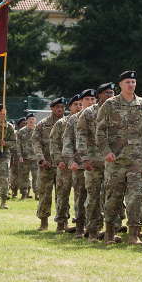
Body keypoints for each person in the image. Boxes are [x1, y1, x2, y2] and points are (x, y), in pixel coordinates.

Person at [96, 71, 142, 245]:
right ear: (120, 84)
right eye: (127, 82)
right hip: (116, 161)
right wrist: (106, 151)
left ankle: (133, 234)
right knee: (114, 197)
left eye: (133, 82)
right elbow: (100, 131)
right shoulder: (110, 104)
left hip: (136, 160)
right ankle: (109, 234)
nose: (131, 85)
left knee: (135, 197)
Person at [76, 82, 116, 242]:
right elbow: (81, 135)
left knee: (113, 197)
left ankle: (110, 232)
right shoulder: (88, 113)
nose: (110, 95)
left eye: (112, 92)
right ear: (99, 95)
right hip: (94, 162)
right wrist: (84, 158)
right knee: (93, 197)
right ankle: (92, 231)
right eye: (106, 93)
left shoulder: (117, 110)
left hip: (114, 162)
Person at [64, 89, 95, 237]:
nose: (91, 102)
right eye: (87, 99)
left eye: (93, 99)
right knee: (80, 196)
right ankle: (80, 227)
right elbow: (68, 141)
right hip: (80, 164)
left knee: (96, 197)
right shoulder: (73, 119)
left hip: (96, 165)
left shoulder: (99, 115)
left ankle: (94, 227)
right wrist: (70, 161)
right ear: (81, 102)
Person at [34, 98, 65, 230]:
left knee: (62, 195)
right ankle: (43, 222)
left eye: (62, 107)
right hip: (46, 165)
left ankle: (62, 223)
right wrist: (41, 159)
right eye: (57, 107)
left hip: (62, 165)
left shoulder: (68, 122)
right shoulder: (42, 124)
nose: (60, 109)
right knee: (45, 194)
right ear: (52, 108)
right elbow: (36, 143)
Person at [52, 94, 80, 232]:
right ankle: (61, 223)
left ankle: (81, 223)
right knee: (63, 194)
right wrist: (59, 160)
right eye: (76, 104)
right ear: (70, 107)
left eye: (80, 104)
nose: (79, 107)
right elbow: (54, 143)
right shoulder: (61, 123)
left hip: (81, 165)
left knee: (81, 195)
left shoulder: (86, 120)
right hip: (65, 166)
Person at [17, 114, 39, 200]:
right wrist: (19, 155)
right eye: (30, 119)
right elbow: (18, 144)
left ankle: (37, 194)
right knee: (24, 177)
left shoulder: (38, 130)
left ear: (35, 120)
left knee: (36, 177)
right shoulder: (21, 131)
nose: (31, 121)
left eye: (33, 119)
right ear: (26, 121)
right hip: (25, 158)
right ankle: (24, 194)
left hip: (36, 158)